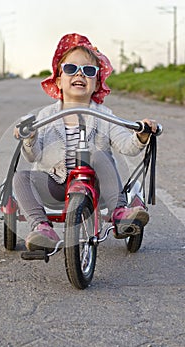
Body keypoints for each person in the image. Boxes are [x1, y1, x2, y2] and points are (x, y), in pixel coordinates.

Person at [13, 33, 157, 251]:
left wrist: (141, 134)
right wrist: (29, 136)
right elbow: (34, 155)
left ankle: (119, 213)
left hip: (98, 186)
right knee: (21, 178)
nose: (79, 74)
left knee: (99, 155)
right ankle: (42, 227)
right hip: (57, 184)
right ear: (59, 80)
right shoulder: (46, 115)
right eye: (71, 69)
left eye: (88, 71)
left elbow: (127, 146)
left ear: (97, 83)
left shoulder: (104, 114)